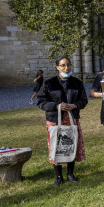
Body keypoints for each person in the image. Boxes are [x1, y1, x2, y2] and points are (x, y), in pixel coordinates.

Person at [37, 57, 88, 186]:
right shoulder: (49, 84)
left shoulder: (77, 83)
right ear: (57, 67)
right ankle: (59, 176)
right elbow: (40, 101)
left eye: (68, 65)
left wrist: (75, 105)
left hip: (71, 119)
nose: (66, 68)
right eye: (63, 65)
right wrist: (56, 106)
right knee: (57, 145)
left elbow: (84, 100)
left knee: (71, 143)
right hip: (55, 120)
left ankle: (70, 174)